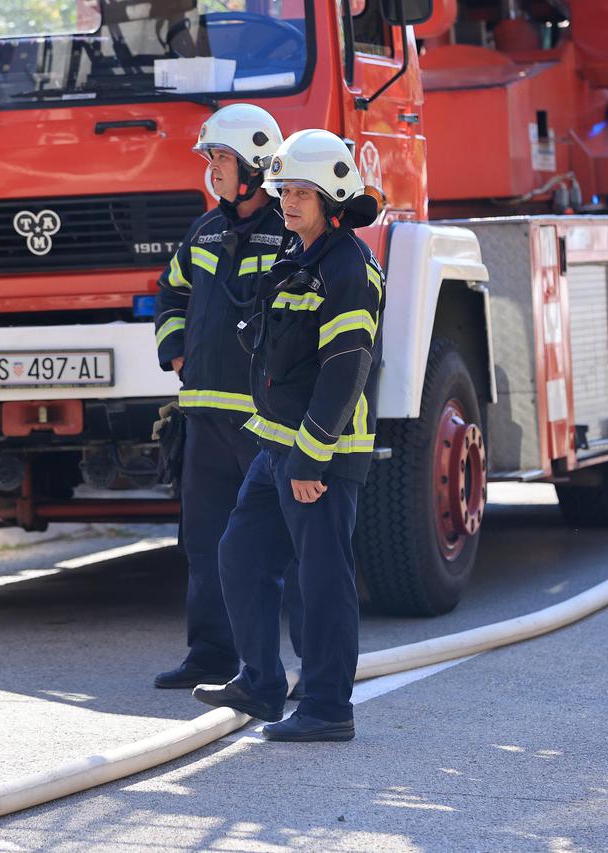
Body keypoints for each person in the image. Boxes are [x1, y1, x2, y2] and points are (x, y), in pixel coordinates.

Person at [193, 129, 386, 741]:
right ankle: (261, 682)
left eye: (302, 191)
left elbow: (346, 368)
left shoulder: (349, 269)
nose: (289, 201)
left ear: (333, 197)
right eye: (284, 190)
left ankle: (329, 708)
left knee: (321, 578)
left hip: (322, 454)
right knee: (240, 554)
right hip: (275, 443)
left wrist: (310, 455)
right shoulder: (297, 259)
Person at [152, 103, 303, 690]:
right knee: (204, 540)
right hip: (204, 416)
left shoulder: (289, 234)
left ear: (254, 165)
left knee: (267, 548)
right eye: (210, 158)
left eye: (219, 158)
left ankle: (272, 664)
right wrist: (177, 351)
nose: (211, 169)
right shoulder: (205, 230)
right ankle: (210, 654)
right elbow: (170, 294)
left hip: (262, 422)